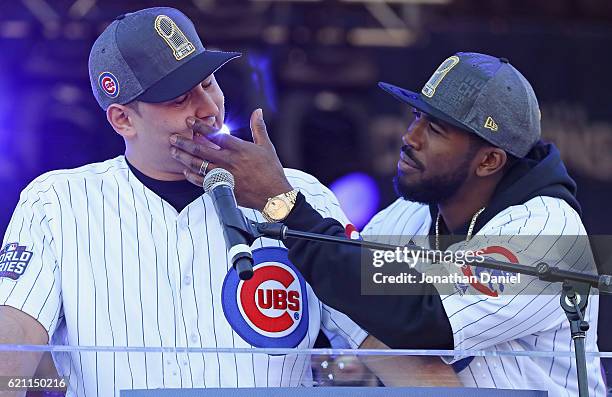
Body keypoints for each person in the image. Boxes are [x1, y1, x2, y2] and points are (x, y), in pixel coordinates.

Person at [0, 7, 458, 397]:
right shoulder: (57, 201)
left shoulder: (303, 194)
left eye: (209, 83)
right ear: (123, 119)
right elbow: (12, 351)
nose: (207, 108)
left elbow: (384, 347)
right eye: (179, 98)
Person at [170, 52, 605, 395]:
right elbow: (347, 292)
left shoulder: (548, 230)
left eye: (434, 129)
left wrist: (281, 202)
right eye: (416, 116)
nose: (409, 136)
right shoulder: (409, 215)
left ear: (489, 160)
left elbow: (425, 316)